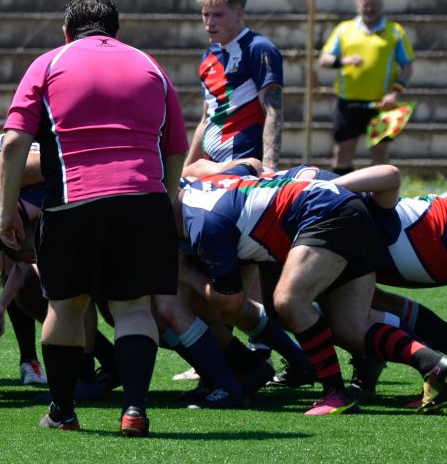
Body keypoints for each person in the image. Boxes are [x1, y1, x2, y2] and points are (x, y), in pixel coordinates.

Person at [0, 0, 188, 437]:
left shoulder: (49, 63)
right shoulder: (150, 66)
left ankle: (63, 412)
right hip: (143, 198)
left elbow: (13, 144)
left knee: (65, 308)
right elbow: (176, 148)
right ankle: (135, 409)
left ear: (67, 31)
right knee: (134, 308)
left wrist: (7, 210)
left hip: (74, 200)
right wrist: (163, 201)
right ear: (116, 31)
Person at [179, 165, 447, 415]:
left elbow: (230, 301)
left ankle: (335, 392)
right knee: (350, 327)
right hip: (337, 214)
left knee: (289, 301)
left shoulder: (202, 220)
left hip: (332, 215)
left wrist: (188, 274)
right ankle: (432, 364)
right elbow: (250, 165)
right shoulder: (203, 191)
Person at [186, 0, 283, 174]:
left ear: (239, 13)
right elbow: (206, 119)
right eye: (205, 14)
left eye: (218, 15)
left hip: (244, 167)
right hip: (212, 168)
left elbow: (273, 112)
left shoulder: (258, 48)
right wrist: (187, 168)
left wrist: (269, 168)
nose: (209, 22)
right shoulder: (208, 56)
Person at [318, 0, 414, 175]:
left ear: (381, 5)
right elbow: (324, 59)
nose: (369, 9)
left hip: (381, 106)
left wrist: (397, 91)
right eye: (365, 5)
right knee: (342, 154)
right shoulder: (344, 29)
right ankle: (341, 193)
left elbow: (407, 66)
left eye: (373, 5)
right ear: (358, 5)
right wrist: (344, 61)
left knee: (380, 158)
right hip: (348, 104)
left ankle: (381, 194)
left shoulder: (394, 31)